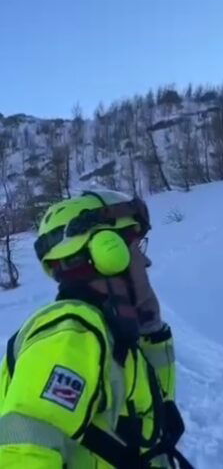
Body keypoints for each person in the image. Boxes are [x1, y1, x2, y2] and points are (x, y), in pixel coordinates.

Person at [0, 190, 193, 468]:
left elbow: (153, 416)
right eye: (137, 248)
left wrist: (151, 330)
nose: (146, 262)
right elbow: (22, 453)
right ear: (107, 252)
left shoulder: (113, 335)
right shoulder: (71, 334)